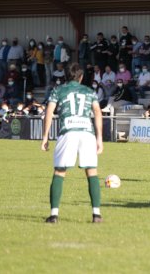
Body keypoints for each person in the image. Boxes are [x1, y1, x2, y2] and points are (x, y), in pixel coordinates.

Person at [41, 63, 103, 224]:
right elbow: (97, 112)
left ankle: (54, 215)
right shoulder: (89, 91)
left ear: (66, 76)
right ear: (81, 77)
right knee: (92, 172)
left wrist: (45, 137)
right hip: (86, 133)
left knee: (59, 172)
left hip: (68, 132)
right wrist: (99, 138)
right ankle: (96, 214)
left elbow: (49, 112)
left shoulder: (58, 90)